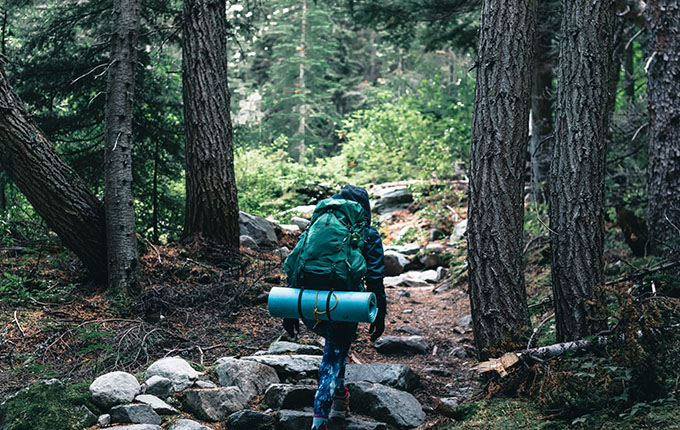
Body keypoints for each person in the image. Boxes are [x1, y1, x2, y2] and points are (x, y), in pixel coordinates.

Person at [282, 185, 387, 430]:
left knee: (336, 347)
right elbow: (375, 279)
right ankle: (320, 421)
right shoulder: (367, 234)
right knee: (333, 353)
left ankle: (340, 396)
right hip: (344, 305)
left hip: (307, 302)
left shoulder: (317, 227)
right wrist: (379, 314)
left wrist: (290, 312)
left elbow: (296, 263)